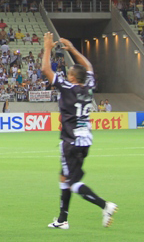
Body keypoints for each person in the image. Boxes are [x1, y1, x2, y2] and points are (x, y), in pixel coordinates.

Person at [42, 33, 117, 230]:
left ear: (73, 78)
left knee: (73, 183)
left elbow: (45, 69)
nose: (66, 77)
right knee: (64, 177)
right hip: (85, 140)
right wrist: (73, 49)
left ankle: (105, 205)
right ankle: (62, 219)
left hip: (71, 141)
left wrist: (48, 47)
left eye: (69, 75)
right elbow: (89, 68)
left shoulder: (68, 87)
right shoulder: (89, 86)